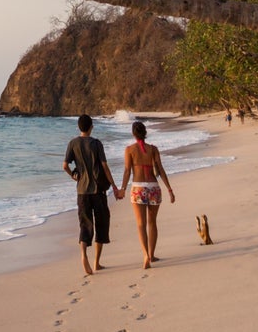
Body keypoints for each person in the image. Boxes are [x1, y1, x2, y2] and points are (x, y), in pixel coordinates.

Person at [116, 119, 176, 269]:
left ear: (133, 134)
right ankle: (152, 254)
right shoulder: (153, 149)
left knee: (140, 224)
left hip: (138, 188)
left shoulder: (129, 150)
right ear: (145, 133)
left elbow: (127, 171)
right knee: (152, 222)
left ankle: (145, 255)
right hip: (154, 187)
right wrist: (169, 189)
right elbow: (160, 170)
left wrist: (122, 188)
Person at [62, 113, 114, 276]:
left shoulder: (73, 143)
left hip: (82, 191)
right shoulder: (96, 143)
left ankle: (83, 254)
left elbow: (64, 165)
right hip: (98, 191)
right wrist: (115, 186)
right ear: (91, 127)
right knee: (101, 224)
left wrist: (73, 176)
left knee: (85, 224)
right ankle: (97, 262)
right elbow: (105, 167)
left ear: (79, 127)